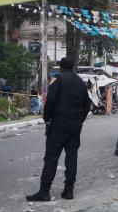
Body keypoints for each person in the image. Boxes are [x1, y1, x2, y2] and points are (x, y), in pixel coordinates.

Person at [27, 57, 90, 201]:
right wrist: (79, 121)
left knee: (51, 156)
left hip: (59, 123)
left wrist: (47, 118)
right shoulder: (80, 82)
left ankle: (44, 191)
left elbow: (51, 101)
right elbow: (87, 106)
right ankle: (69, 190)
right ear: (73, 67)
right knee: (71, 156)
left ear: (60, 67)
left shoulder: (58, 79)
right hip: (75, 125)